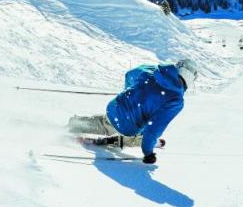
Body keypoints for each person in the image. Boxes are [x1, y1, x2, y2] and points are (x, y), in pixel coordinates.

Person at [68, 59, 198, 164]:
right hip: (128, 126)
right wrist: (148, 153)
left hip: (115, 107)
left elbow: (130, 74)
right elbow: (153, 128)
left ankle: (77, 123)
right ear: (189, 77)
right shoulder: (176, 99)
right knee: (136, 133)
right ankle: (118, 141)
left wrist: (129, 96)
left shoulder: (154, 71)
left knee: (108, 122)